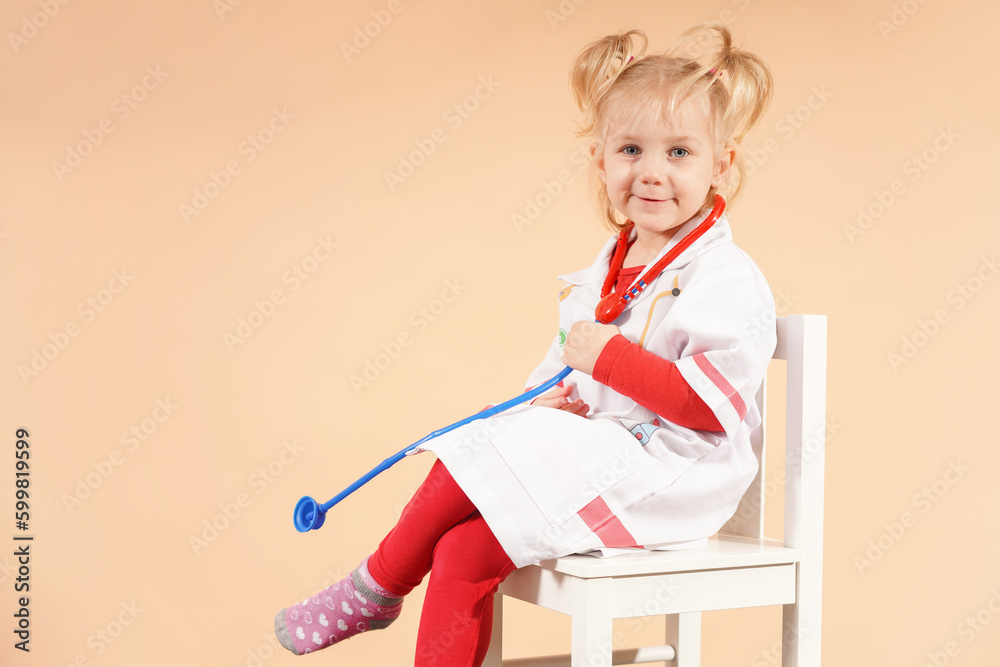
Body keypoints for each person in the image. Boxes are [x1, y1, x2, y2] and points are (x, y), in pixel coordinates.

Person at [274, 22, 776, 666]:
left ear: (720, 163)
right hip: (604, 459)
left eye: (679, 152)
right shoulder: (609, 266)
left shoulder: (726, 277)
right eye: (630, 150)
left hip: (674, 475)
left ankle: (377, 585)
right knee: (460, 550)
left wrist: (609, 363)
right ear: (600, 160)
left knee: (481, 451)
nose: (651, 173)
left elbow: (711, 409)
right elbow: (567, 365)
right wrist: (553, 405)